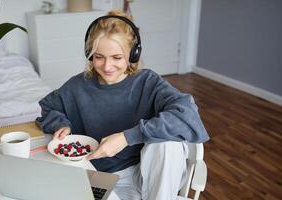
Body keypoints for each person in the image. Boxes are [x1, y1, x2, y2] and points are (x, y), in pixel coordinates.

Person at [36, 10, 210, 200]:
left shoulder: (148, 82)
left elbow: (186, 113)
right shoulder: (77, 86)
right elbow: (49, 107)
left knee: (168, 143)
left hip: (148, 173)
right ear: (89, 54)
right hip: (102, 177)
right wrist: (60, 123)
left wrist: (127, 138)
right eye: (99, 56)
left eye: (117, 57)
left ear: (133, 54)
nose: (107, 66)